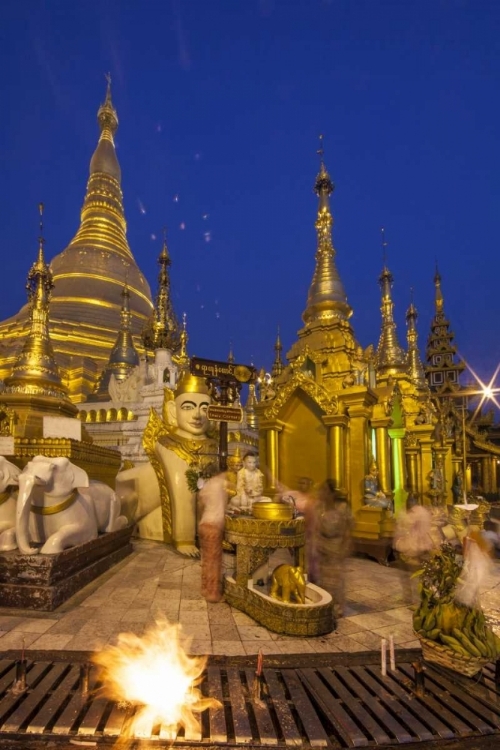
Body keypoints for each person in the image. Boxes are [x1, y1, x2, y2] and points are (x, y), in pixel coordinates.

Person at [314, 480, 354, 619]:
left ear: (331, 493)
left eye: (325, 490)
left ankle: (338, 607)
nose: (322, 493)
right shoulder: (320, 508)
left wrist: (345, 545)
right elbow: (316, 528)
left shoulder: (342, 507)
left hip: (337, 543)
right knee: (324, 578)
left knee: (336, 578)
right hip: (323, 543)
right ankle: (326, 604)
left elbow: (348, 528)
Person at [198, 472, 229, 603]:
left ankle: (205, 588)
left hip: (204, 524)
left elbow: (201, 504)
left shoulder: (206, 485)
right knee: (214, 562)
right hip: (214, 526)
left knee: (206, 559)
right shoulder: (222, 483)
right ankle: (213, 593)